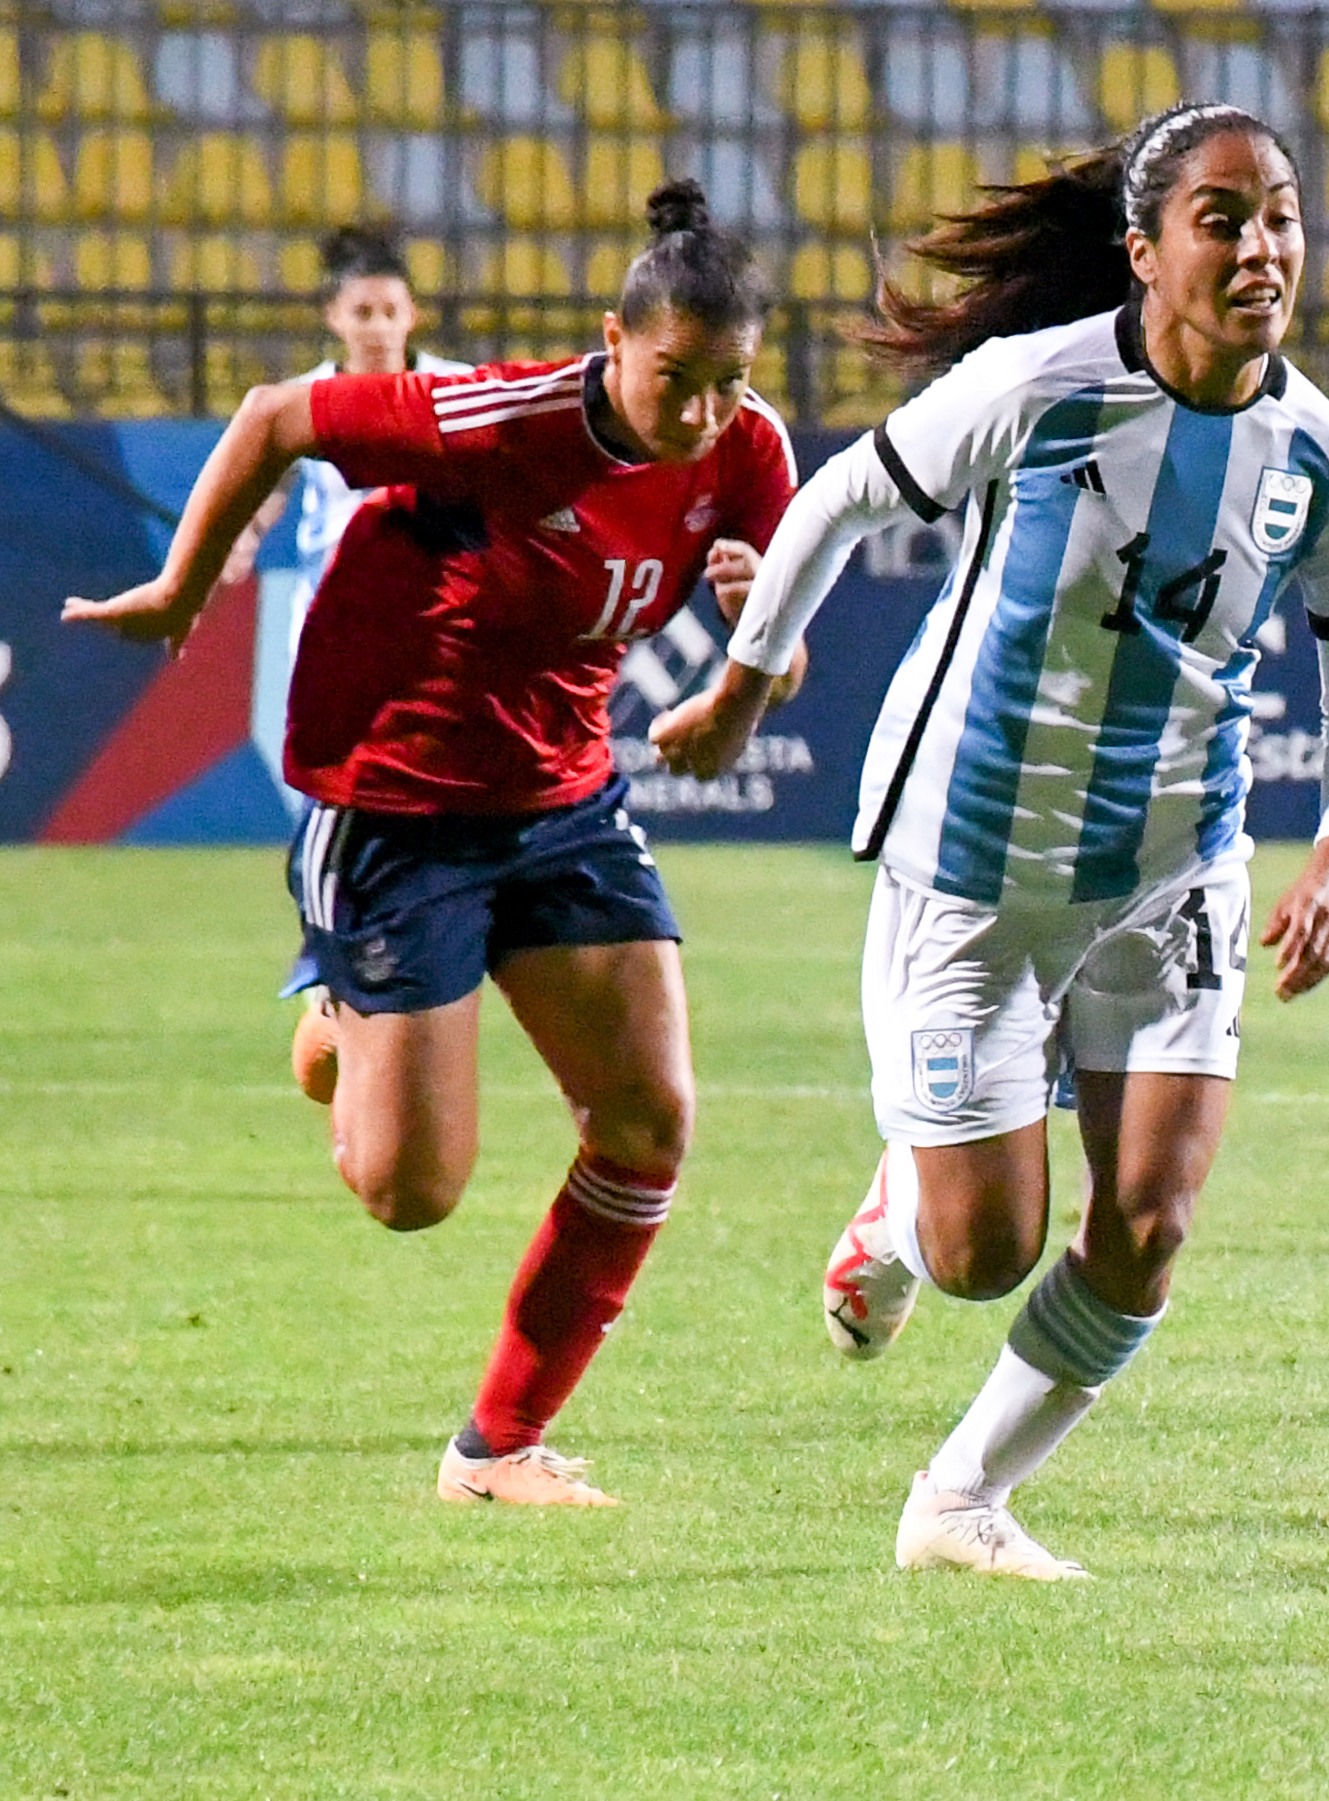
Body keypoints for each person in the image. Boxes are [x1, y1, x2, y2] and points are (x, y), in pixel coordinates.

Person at [650, 104, 1329, 1581]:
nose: (1263, 247)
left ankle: (958, 1501)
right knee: (985, 1244)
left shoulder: (1328, 462)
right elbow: (837, 499)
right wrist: (741, 678)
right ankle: (897, 1209)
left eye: (1282, 215)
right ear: (1143, 250)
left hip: (1173, 874)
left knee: (1147, 1222)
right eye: (1224, 218)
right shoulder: (1035, 388)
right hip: (975, 865)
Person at [64, 184, 799, 1503]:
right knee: (409, 1193)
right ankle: (344, 1010)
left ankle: (497, 1447)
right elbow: (275, 417)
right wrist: (183, 588)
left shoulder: (747, 450)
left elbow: (778, 655)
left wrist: (746, 679)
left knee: (647, 1118)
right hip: (397, 802)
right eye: (671, 377)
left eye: (725, 381)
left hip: (565, 798)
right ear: (611, 342)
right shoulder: (503, 419)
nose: (697, 411)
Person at [227, 223, 477, 825]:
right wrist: (240, 540)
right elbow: (265, 491)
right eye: (362, 312)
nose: (378, 327)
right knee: (336, 788)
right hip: (331, 619)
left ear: (412, 315)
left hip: (435, 615)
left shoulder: (456, 388)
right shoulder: (301, 401)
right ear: (334, 317)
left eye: (390, 311)